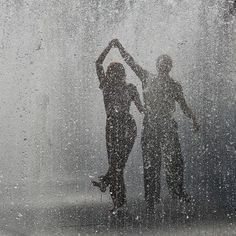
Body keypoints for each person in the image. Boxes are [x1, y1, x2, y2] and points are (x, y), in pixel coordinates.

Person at [112, 39, 200, 212]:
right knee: (151, 163)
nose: (164, 65)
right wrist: (120, 47)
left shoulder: (175, 86)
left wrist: (194, 118)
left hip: (167, 126)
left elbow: (183, 106)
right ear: (157, 64)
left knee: (175, 161)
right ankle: (152, 198)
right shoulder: (146, 77)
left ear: (170, 67)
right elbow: (130, 62)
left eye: (167, 63)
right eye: (162, 62)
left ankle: (177, 192)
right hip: (152, 127)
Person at [92, 40, 145, 214]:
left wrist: (113, 46)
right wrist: (113, 47)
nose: (113, 75)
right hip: (117, 126)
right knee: (116, 166)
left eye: (116, 72)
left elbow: (142, 108)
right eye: (111, 72)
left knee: (117, 165)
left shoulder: (127, 88)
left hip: (125, 126)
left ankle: (113, 194)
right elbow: (98, 63)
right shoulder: (108, 86)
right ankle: (117, 201)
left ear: (121, 74)